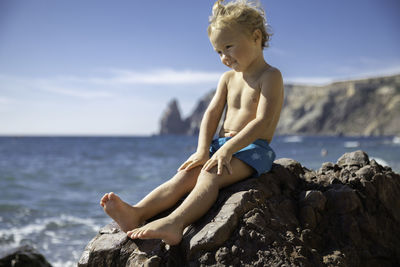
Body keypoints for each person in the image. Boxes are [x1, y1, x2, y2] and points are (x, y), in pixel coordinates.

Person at [100, 0, 284, 246]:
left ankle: (175, 223)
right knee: (185, 176)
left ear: (256, 36)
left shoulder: (270, 76)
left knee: (210, 177)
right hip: (222, 145)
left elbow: (262, 121)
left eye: (228, 47)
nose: (224, 58)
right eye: (218, 52)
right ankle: (137, 212)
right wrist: (202, 150)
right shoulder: (228, 78)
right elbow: (211, 114)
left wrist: (228, 150)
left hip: (254, 150)